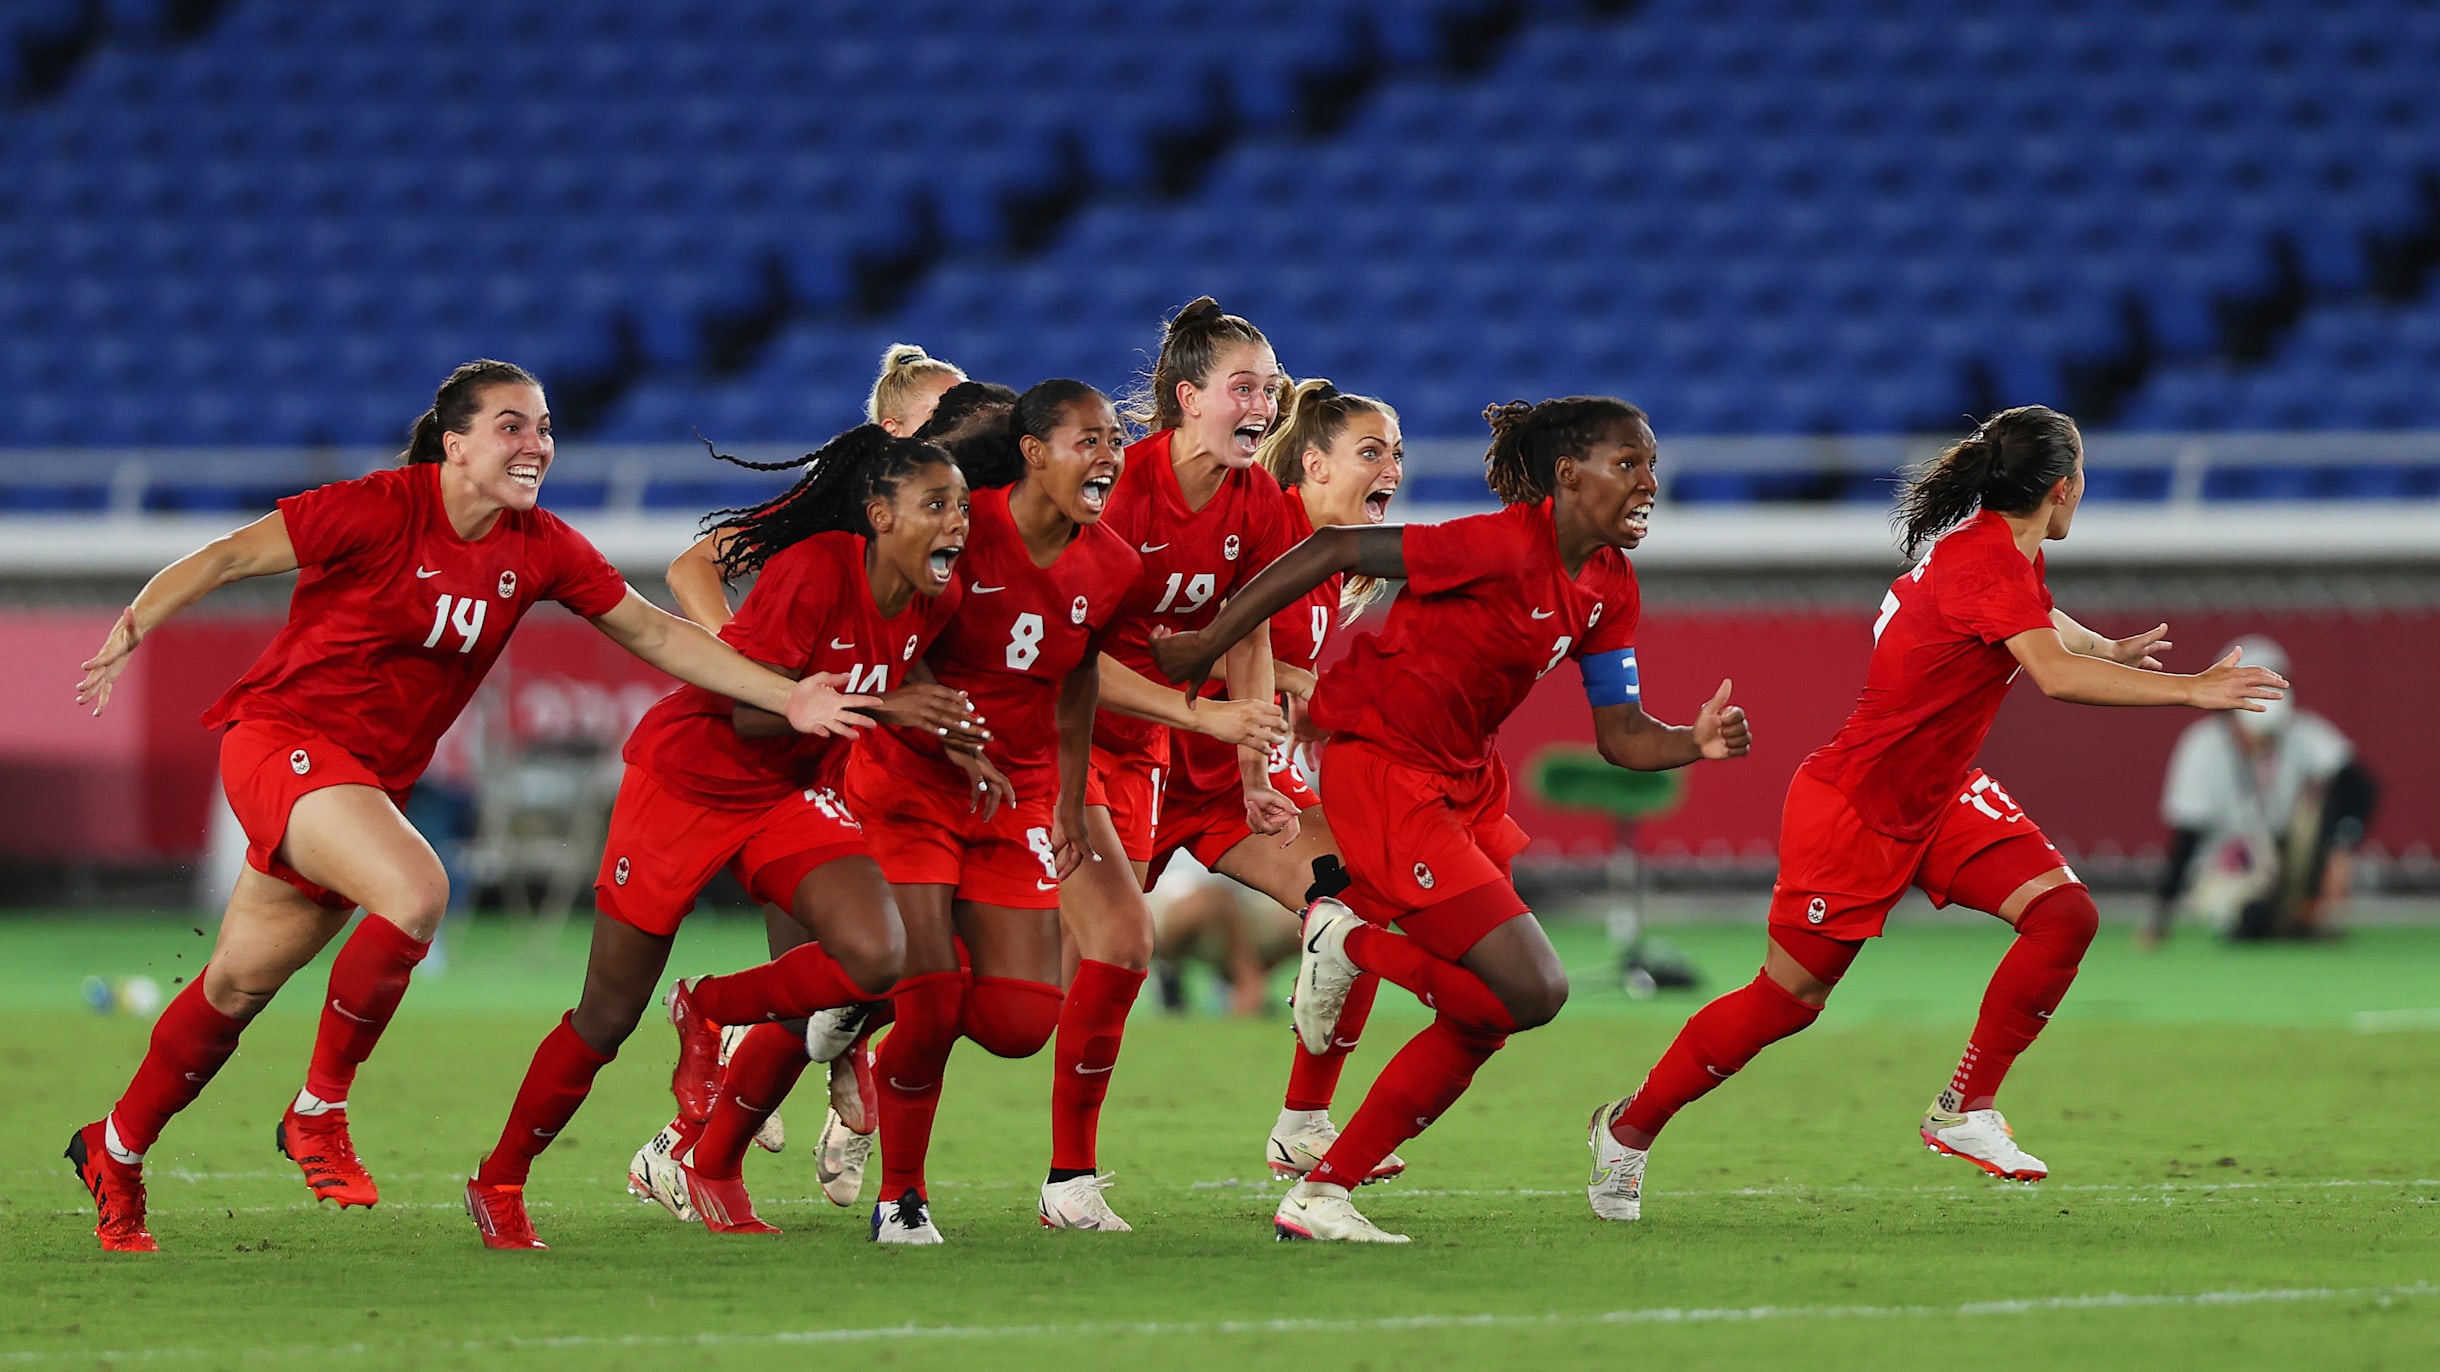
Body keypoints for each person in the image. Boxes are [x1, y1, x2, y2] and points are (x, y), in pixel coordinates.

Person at [63, 360, 868, 1254]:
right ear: (455, 443)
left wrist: (787, 696)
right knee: (416, 893)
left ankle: (116, 1149)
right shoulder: (378, 506)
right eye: (512, 427)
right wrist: (129, 630)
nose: (536, 445)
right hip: (278, 738)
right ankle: (318, 1112)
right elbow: (226, 557)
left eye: (546, 428)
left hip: (359, 782)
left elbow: (652, 631)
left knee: (235, 987)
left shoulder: (542, 545)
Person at [1582, 405, 2290, 1224]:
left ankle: (1964, 1106)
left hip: (1941, 793)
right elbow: (2052, 675)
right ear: (2062, 490)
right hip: (1858, 804)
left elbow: (2040, 627)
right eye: (2083, 476)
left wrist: (2107, 648)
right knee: (1786, 1002)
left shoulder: (1992, 553)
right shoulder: (1988, 561)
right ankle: (1626, 1132)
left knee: (2063, 915)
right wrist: (2192, 689)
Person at [1152, 396, 1752, 1242]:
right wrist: (1207, 642)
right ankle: (1347, 942)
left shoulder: (1609, 586)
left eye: (1650, 464)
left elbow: (1621, 735)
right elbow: (1330, 548)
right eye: (1629, 464)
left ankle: (1321, 1194)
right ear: (1567, 475)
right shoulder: (1499, 542)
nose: (1649, 482)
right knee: (1534, 988)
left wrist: (1690, 742)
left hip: (1463, 784)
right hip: (1387, 772)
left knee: (1487, 1013)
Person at [466, 424, 983, 1249]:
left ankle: (706, 1011)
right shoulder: (815, 571)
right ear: (880, 515)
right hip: (687, 783)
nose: (957, 522)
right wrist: (886, 706)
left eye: (961, 505)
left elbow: (899, 665)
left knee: (880, 956)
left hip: (782, 794)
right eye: (936, 504)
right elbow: (750, 709)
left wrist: (948, 732)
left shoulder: (937, 595)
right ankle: (499, 1180)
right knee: (605, 1015)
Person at [815, 378, 1143, 1243]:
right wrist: (942, 725)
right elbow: (888, 630)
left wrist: (1070, 802)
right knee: (934, 1004)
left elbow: (1078, 678)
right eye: (1089, 439)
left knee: (1019, 1021)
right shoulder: (962, 527)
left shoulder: (1113, 563)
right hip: (913, 786)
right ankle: (902, 1200)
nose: (1108, 455)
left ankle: (862, 992)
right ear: (1033, 453)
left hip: (1020, 794)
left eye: (1115, 440)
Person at [1023, 298, 1298, 1231]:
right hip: (1053, 736)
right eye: (1244, 387)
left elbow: (1249, 633)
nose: (1264, 403)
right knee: (1073, 966)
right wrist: (1203, 718)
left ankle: (1065, 1178)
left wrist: (1255, 770)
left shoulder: (1258, 499)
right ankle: (847, 1034)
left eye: (1271, 386)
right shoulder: (1120, 485)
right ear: (1188, 398)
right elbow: (1071, 655)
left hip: (1138, 753)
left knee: (1071, 979)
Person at [1145, 377, 1410, 1180]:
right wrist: (1308, 692)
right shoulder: (1261, 526)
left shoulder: (1338, 565)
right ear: (1313, 465)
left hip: (1234, 784)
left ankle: (1304, 1120)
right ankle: (848, 1045)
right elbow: (1219, 641)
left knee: (1360, 890)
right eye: (1371, 452)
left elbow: (1280, 667)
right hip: (1150, 765)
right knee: (1025, 987)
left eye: (1397, 453)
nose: (1391, 469)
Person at [2148, 636, 2374, 943]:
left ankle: (2304, 911)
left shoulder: (2300, 733)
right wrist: (2160, 916)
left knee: (2314, 810)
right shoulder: (2201, 747)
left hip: (2282, 859)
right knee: (2249, 917)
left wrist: (2342, 845)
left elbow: (2359, 786)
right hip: (2227, 862)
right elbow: (2187, 836)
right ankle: (2277, 919)